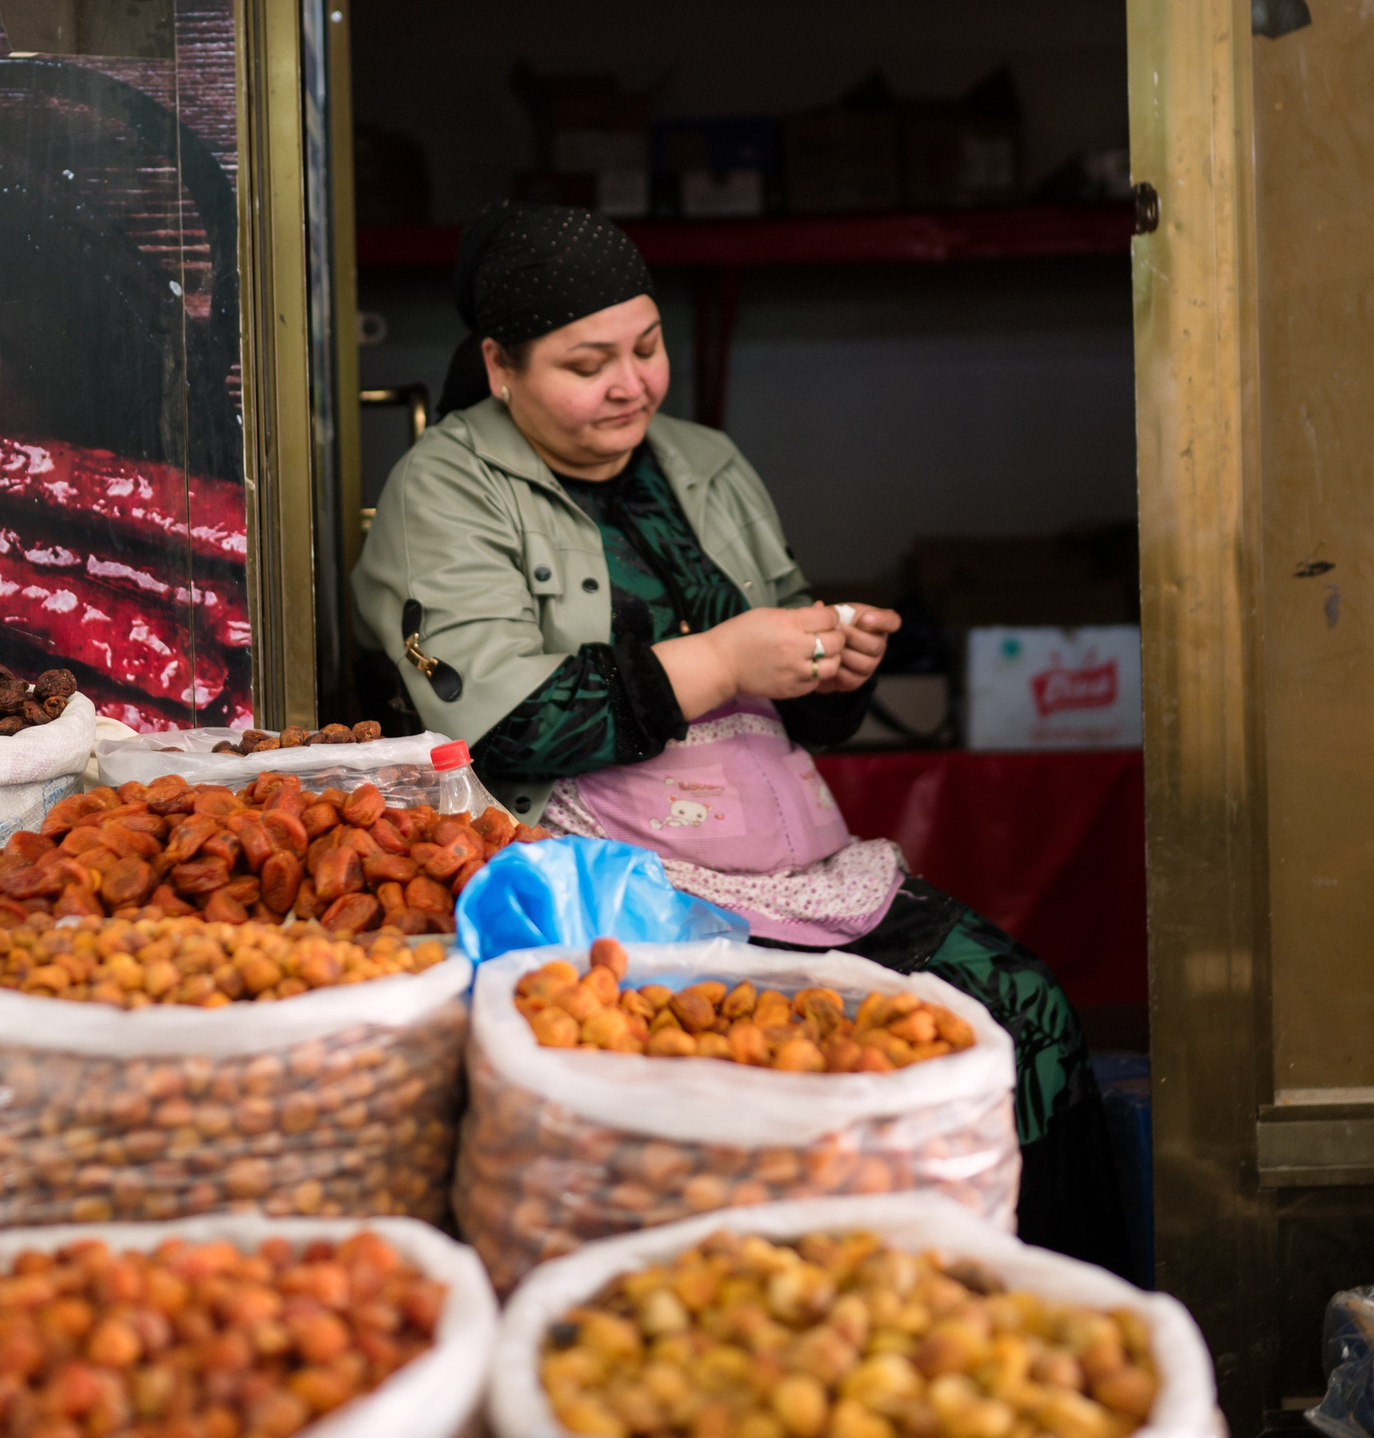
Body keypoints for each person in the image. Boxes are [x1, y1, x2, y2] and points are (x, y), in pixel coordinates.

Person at [351, 200, 1132, 1275]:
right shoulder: (441, 493)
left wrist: (829, 669)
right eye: (588, 364)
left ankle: (1045, 1299)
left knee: (1023, 1011)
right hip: (613, 889)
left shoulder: (704, 463)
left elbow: (794, 689)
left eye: (647, 346)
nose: (631, 384)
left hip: (788, 859)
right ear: (499, 366)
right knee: (802, 1091)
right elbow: (514, 728)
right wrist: (723, 661)